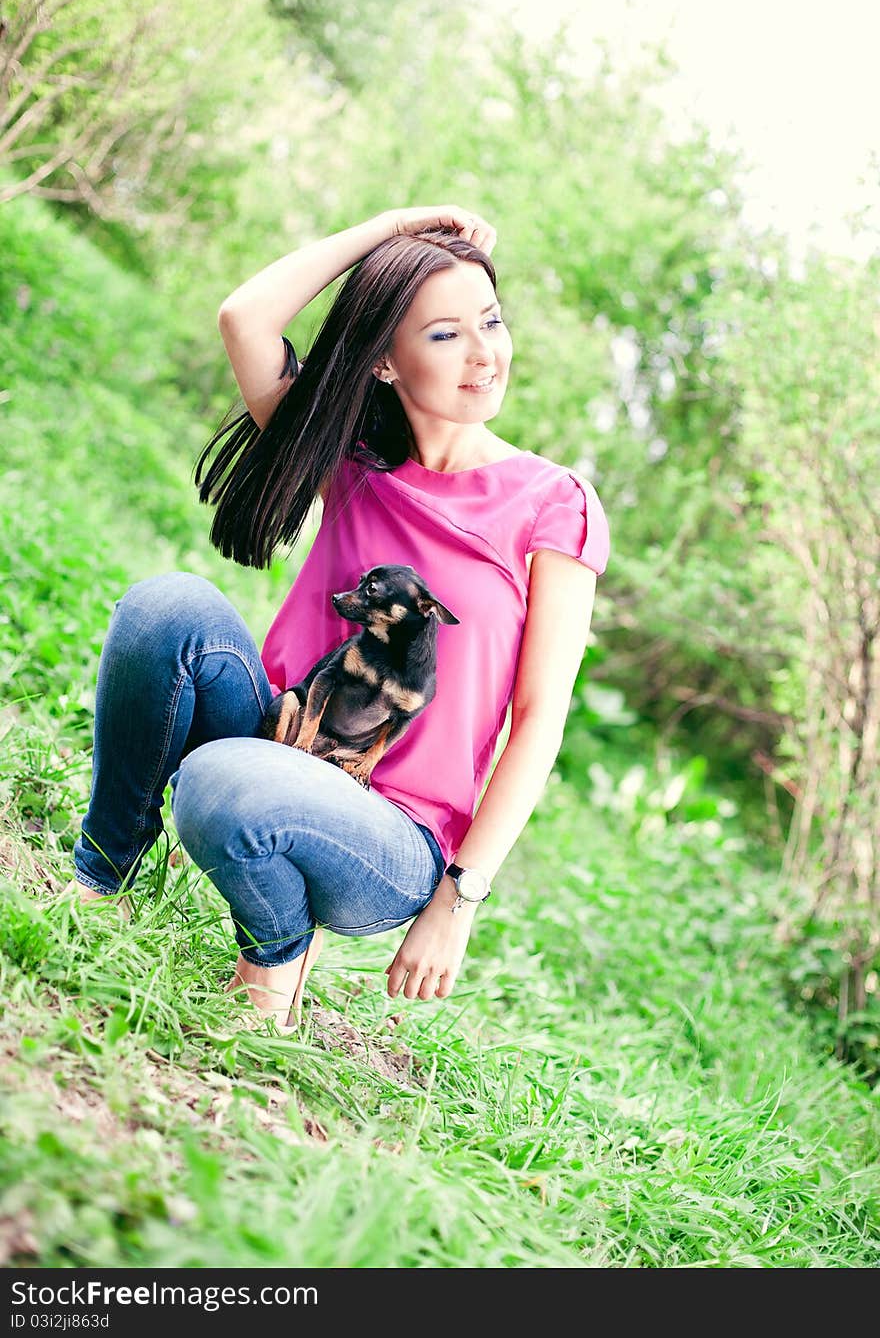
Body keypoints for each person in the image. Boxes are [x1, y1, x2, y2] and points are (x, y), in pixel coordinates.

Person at [65, 204, 610, 1032]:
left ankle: (275, 957)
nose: (483, 354)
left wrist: (458, 898)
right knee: (163, 609)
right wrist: (391, 230)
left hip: (391, 833)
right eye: (444, 335)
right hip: (275, 737)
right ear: (385, 361)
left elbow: (539, 720)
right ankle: (99, 877)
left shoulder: (551, 505)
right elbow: (244, 318)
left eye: (491, 322)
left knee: (222, 782)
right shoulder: (352, 459)